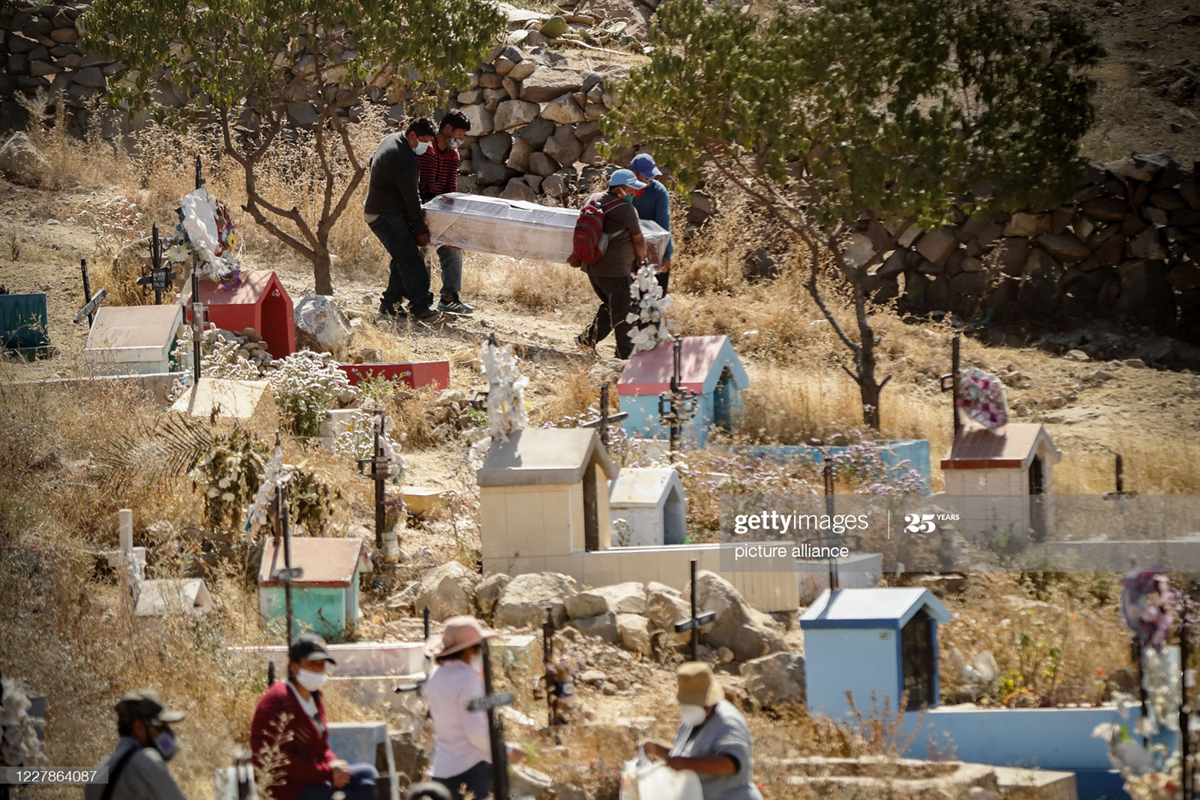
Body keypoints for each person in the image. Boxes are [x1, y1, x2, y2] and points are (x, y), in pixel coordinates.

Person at [250, 633, 379, 800]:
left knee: (368, 777)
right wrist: (327, 773)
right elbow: (281, 761)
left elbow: (321, 746)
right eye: (312, 664)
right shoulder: (279, 701)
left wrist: (333, 763)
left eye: (321, 664)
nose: (318, 670)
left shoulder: (313, 697)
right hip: (289, 790)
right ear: (294, 667)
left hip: (314, 778)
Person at [424, 616, 525, 800]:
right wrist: (508, 750)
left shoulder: (435, 676)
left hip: (442, 769)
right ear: (470, 650)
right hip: (472, 771)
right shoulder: (467, 679)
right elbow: (475, 731)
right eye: (479, 647)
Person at [639, 663, 763, 800]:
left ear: (707, 703)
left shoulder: (728, 722)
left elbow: (731, 764)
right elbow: (685, 757)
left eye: (691, 703)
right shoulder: (693, 719)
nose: (685, 708)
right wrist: (656, 749)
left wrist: (686, 764)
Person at [364, 117, 440, 322]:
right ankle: (420, 306)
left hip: (379, 209)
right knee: (411, 259)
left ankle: (390, 304)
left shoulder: (392, 139)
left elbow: (372, 160)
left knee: (402, 256)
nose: (426, 147)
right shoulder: (404, 157)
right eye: (424, 141)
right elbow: (412, 199)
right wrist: (420, 231)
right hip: (384, 214)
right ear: (413, 135)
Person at [574, 169, 648, 360]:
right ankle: (625, 356)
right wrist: (642, 261)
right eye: (630, 190)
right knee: (624, 312)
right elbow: (638, 239)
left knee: (610, 305)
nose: (633, 194)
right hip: (615, 271)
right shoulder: (626, 210)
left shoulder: (592, 199)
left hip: (592, 267)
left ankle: (587, 340)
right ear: (619, 189)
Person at [418, 109, 475, 316]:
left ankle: (450, 298)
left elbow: (451, 188)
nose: (460, 140)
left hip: (441, 209)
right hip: (421, 207)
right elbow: (426, 186)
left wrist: (450, 216)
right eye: (459, 135)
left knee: (453, 247)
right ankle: (421, 300)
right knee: (422, 252)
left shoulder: (453, 154)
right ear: (447, 129)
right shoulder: (428, 148)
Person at [84, 689, 189, 800]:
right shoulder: (146, 760)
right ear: (139, 727)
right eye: (159, 726)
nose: (166, 732)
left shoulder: (99, 770)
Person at [628, 153, 674, 295]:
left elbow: (664, 226)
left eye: (651, 175)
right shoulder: (624, 189)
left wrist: (666, 255)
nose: (649, 179)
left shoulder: (658, 192)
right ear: (634, 173)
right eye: (645, 175)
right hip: (627, 245)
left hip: (652, 247)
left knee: (655, 294)